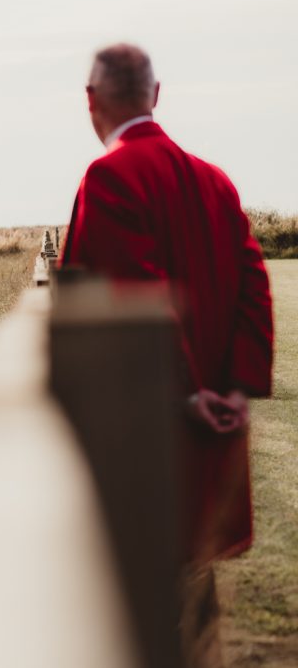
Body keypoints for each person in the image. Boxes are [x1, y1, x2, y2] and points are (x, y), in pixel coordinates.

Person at [61, 43, 273, 667]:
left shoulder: (108, 176)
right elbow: (253, 286)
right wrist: (235, 387)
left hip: (152, 437)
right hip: (214, 433)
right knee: (198, 600)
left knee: (148, 620)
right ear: (155, 95)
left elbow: (134, 288)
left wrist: (185, 392)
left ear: (91, 100)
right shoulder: (216, 179)